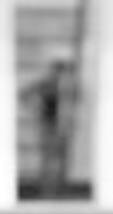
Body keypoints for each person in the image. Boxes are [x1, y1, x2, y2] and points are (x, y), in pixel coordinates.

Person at [21, 57, 77, 199]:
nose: (61, 76)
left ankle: (60, 190)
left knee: (62, 160)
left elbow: (72, 105)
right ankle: (46, 191)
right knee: (48, 160)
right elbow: (24, 94)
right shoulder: (46, 84)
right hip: (48, 125)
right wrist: (35, 109)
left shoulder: (69, 87)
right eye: (59, 72)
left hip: (63, 126)